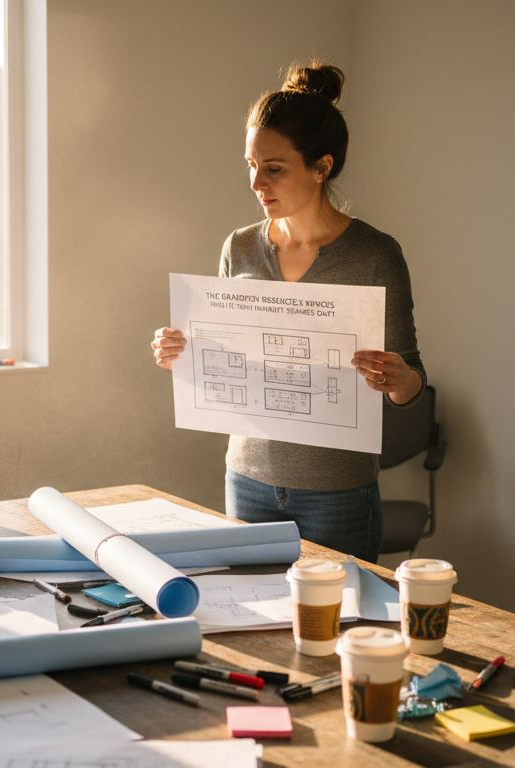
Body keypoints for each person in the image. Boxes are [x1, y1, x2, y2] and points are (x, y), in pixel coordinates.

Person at [150, 62, 425, 563]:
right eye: (251, 164)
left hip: (338, 493)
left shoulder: (375, 255)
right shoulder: (239, 247)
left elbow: (411, 388)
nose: (257, 182)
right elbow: (226, 359)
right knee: (251, 627)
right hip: (248, 480)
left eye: (274, 168)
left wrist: (398, 377)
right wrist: (183, 354)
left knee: (341, 628)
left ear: (321, 167)